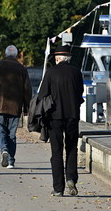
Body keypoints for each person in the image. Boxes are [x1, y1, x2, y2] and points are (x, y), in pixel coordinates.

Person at [37, 45, 84, 197]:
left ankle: (58, 188)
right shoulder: (76, 72)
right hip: (72, 116)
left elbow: (43, 94)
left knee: (56, 152)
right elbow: (80, 92)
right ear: (68, 58)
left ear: (57, 58)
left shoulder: (50, 72)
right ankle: (71, 178)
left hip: (54, 117)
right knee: (71, 148)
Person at [0, 45, 32, 169]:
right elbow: (27, 89)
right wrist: (27, 107)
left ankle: (4, 149)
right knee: (12, 134)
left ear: (5, 54)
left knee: (0, 131)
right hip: (15, 106)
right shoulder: (21, 69)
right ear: (16, 55)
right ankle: (11, 161)